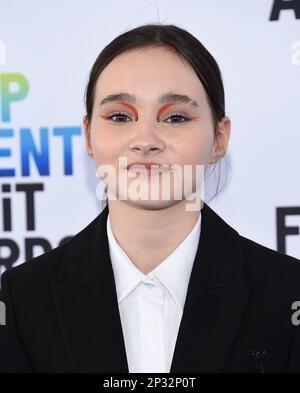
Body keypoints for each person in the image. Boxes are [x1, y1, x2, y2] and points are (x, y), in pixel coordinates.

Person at [1, 23, 300, 374]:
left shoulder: (286, 293)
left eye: (175, 117)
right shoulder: (20, 301)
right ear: (88, 136)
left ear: (220, 138)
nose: (145, 140)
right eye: (120, 116)